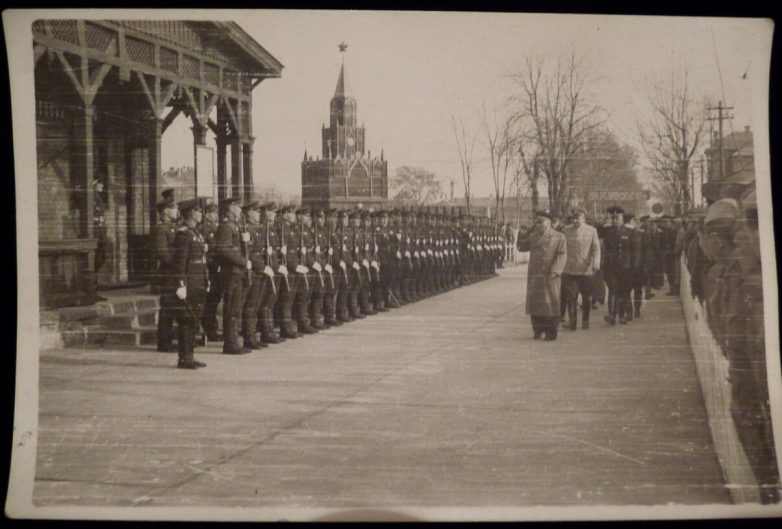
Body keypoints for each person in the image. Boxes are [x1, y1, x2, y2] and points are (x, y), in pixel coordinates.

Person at [517, 210, 567, 340]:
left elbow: (562, 254)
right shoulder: (532, 236)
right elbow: (521, 248)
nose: (537, 223)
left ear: (548, 222)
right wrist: (523, 233)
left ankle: (551, 331)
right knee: (536, 303)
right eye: (536, 221)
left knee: (551, 303)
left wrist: (556, 270)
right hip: (536, 274)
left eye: (540, 221)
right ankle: (537, 329)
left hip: (551, 275)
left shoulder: (559, 237)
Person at [171, 198, 208, 369]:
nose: (201, 214)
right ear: (192, 213)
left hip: (198, 283)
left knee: (194, 320)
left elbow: (201, 261)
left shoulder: (196, 234)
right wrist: (181, 284)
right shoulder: (183, 234)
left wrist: (206, 280)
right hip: (189, 285)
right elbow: (180, 263)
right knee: (186, 321)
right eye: (199, 211)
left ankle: (190, 355)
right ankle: (184, 357)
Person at [215, 197, 251, 354]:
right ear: (230, 209)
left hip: (237, 272)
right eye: (236, 206)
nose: (239, 209)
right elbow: (223, 250)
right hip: (231, 272)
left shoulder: (234, 227)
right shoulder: (226, 227)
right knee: (231, 308)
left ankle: (233, 341)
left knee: (236, 308)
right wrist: (243, 262)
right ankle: (230, 343)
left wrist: (245, 243)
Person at [561, 209, 600, 330]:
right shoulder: (565, 230)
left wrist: (596, 262)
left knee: (586, 297)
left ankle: (585, 321)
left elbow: (596, 248)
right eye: (573, 218)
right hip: (569, 269)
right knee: (571, 296)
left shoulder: (591, 231)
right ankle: (572, 322)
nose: (575, 220)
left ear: (584, 219)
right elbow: (561, 249)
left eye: (578, 218)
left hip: (586, 269)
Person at [603, 206, 639, 325]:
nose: (614, 220)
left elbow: (635, 250)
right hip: (610, 266)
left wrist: (634, 266)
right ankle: (612, 316)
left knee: (623, 291)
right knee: (613, 290)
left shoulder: (630, 230)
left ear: (623, 218)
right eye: (612, 217)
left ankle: (622, 315)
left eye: (617, 217)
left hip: (625, 266)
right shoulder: (606, 230)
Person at [239, 201, 268, 351]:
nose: (258, 214)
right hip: (254, 271)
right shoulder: (247, 229)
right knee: (250, 306)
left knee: (255, 305)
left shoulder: (255, 229)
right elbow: (250, 253)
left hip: (259, 270)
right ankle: (249, 337)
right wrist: (261, 267)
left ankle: (252, 336)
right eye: (255, 211)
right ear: (249, 213)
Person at [152, 199, 179, 352]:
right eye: (174, 208)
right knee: (167, 307)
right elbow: (163, 254)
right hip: (168, 272)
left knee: (173, 306)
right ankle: (164, 342)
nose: (177, 211)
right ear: (166, 211)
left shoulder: (172, 228)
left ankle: (169, 339)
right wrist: (178, 264)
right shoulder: (160, 229)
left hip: (175, 272)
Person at [258, 202, 285, 344]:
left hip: (274, 267)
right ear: (266, 214)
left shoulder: (272, 229)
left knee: (271, 301)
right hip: (267, 269)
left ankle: (270, 330)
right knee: (266, 302)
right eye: (272, 213)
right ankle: (266, 332)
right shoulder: (263, 229)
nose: (274, 215)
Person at [199, 198, 222, 341]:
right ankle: (208, 329)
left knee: (214, 300)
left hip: (217, 269)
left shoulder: (216, 228)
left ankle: (212, 328)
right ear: (206, 214)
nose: (215, 215)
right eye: (212, 213)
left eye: (216, 213)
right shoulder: (204, 229)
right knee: (208, 301)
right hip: (209, 268)